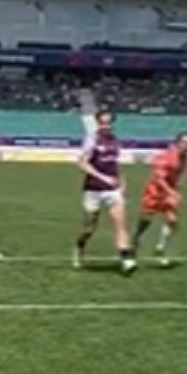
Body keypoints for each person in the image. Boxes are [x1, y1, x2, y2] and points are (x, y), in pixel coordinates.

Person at [72, 110, 137, 275]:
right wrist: (103, 178)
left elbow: (115, 165)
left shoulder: (115, 141)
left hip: (112, 191)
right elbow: (82, 163)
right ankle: (79, 248)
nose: (106, 126)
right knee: (89, 229)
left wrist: (122, 182)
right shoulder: (92, 140)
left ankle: (126, 259)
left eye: (109, 122)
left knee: (120, 225)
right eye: (103, 122)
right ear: (98, 123)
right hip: (93, 190)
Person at [133, 131, 187, 267]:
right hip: (155, 191)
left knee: (172, 221)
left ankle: (160, 248)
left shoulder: (185, 158)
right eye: (184, 142)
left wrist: (175, 189)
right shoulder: (165, 156)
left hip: (169, 192)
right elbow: (158, 178)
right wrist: (171, 191)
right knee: (146, 219)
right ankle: (137, 236)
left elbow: (176, 176)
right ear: (177, 142)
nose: (186, 146)